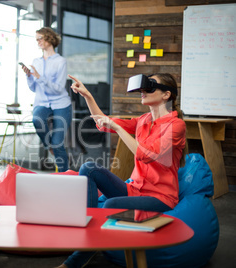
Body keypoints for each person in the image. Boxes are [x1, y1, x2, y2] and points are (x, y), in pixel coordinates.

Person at [57, 73, 187, 268]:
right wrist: (88, 96)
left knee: (111, 204)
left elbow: (146, 154)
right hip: (135, 189)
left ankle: (77, 260)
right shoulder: (144, 120)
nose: (143, 91)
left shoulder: (176, 126)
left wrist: (119, 129)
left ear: (166, 94)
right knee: (89, 168)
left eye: (150, 86)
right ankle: (86, 229)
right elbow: (104, 122)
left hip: (159, 196)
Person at [21, 27, 72, 172]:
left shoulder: (61, 61)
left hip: (61, 104)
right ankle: (48, 145)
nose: (38, 42)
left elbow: (58, 88)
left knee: (58, 143)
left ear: (49, 39)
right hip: (42, 102)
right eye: (36, 39)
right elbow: (33, 88)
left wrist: (39, 77)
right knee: (37, 119)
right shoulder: (35, 61)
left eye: (40, 38)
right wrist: (29, 76)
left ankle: (65, 176)